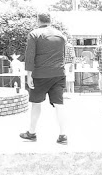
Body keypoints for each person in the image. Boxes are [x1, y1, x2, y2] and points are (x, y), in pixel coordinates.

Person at [19, 11, 68, 144]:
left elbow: (30, 56)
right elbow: (63, 56)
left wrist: (29, 75)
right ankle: (63, 135)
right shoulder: (61, 35)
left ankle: (31, 133)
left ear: (38, 20)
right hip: (58, 74)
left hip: (40, 75)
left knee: (36, 104)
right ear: (50, 21)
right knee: (59, 104)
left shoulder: (34, 34)